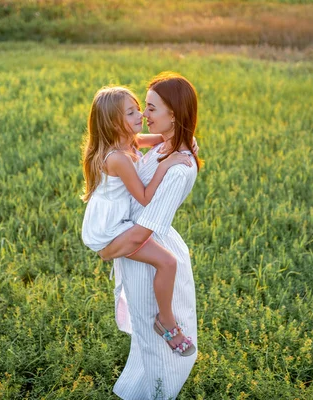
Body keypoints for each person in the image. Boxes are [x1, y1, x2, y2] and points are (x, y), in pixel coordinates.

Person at [97, 72, 202, 399]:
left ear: (174, 114)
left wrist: (108, 250)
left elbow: (144, 229)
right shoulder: (165, 148)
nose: (144, 115)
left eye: (152, 108)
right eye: (143, 107)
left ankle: (158, 393)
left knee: (158, 346)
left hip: (145, 249)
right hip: (139, 248)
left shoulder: (179, 167)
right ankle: (139, 389)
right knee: (145, 335)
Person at [80, 86, 196, 358]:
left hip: (113, 218)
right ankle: (166, 323)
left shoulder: (129, 141)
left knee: (167, 261)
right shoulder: (118, 158)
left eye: (140, 108)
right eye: (131, 112)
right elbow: (145, 198)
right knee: (167, 263)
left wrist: (182, 142)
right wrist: (166, 164)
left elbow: (159, 138)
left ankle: (165, 320)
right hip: (109, 229)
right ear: (112, 123)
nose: (141, 114)